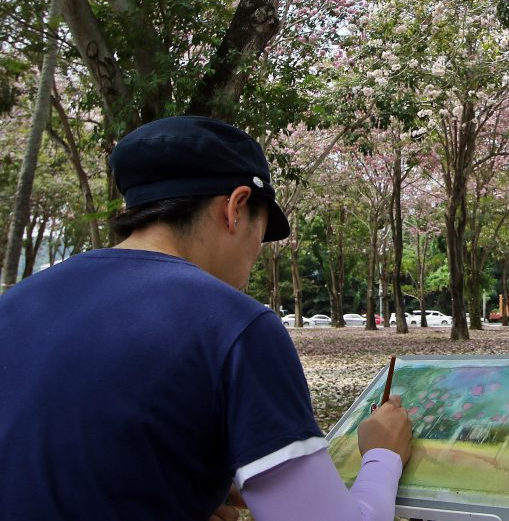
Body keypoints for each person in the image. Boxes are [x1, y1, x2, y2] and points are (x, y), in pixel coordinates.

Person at [0, 116, 412, 521]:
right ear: (236, 207)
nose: (255, 254)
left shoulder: (16, 304)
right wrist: (383, 454)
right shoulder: (235, 326)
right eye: (262, 233)